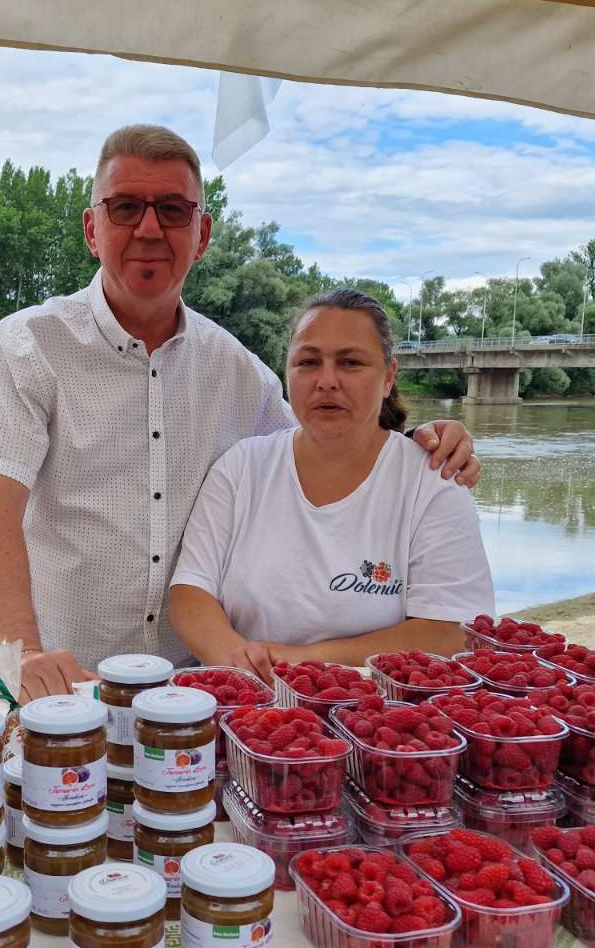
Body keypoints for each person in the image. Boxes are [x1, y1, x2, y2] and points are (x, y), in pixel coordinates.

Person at [0, 124, 480, 702]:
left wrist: (418, 441)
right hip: (55, 682)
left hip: (192, 690)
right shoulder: (29, 345)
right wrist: (23, 651)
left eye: (173, 210)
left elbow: (328, 446)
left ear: (202, 233)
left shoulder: (237, 370)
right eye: (126, 207)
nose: (150, 228)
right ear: (92, 228)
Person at [170, 288, 494, 679]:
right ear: (286, 372)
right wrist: (237, 660)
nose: (327, 381)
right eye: (308, 362)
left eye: (351, 362)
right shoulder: (240, 467)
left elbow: (451, 632)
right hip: (247, 708)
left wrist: (299, 660)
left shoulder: (433, 481)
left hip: (383, 722)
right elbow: (191, 594)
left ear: (389, 376)